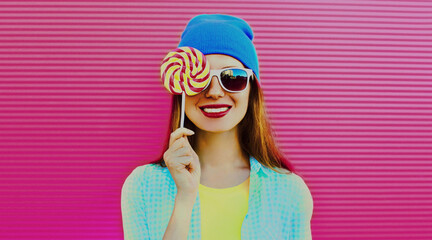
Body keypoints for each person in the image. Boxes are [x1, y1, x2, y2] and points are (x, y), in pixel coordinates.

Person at [121, 14, 313, 240]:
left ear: (251, 90)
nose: (214, 92)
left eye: (232, 77)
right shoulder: (143, 186)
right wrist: (184, 196)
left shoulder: (290, 192)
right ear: (182, 85)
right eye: (200, 79)